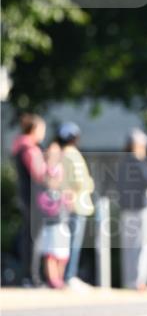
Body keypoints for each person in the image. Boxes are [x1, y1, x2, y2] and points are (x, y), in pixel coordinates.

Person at [117, 130, 147, 291]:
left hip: (126, 208)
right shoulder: (138, 161)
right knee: (143, 245)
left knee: (130, 247)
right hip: (140, 208)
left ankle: (130, 281)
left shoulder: (122, 162)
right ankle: (138, 282)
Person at [57, 121, 95, 290]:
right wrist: (90, 184)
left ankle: (65, 275)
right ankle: (69, 276)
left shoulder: (60, 154)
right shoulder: (73, 155)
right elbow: (80, 181)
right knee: (74, 243)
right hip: (77, 203)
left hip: (64, 202)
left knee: (65, 243)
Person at [11, 113, 46, 286]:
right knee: (33, 238)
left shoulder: (20, 146)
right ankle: (32, 276)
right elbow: (39, 174)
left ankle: (29, 275)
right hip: (33, 197)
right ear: (34, 129)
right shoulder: (30, 149)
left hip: (26, 196)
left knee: (29, 236)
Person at [38, 141, 71, 289]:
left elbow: (63, 187)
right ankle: (53, 279)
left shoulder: (61, 169)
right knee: (50, 250)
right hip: (49, 217)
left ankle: (60, 278)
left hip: (61, 216)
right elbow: (48, 184)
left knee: (63, 251)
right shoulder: (43, 170)